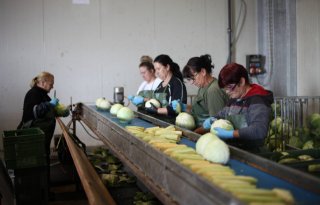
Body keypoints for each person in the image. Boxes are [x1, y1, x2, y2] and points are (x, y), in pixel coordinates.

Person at [202, 63, 274, 153]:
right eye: (225, 89)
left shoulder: (258, 100)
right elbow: (223, 114)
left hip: (253, 154)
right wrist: (213, 119)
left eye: (229, 87)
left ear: (242, 82)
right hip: (236, 151)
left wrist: (231, 134)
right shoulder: (235, 98)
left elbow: (259, 130)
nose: (227, 92)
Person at [18, 72, 69, 169]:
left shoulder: (43, 94)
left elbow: (48, 110)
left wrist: (61, 112)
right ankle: (40, 180)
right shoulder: (33, 94)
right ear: (42, 82)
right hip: (33, 133)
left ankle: (44, 178)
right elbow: (36, 112)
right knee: (36, 160)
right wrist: (50, 104)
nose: (52, 86)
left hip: (42, 135)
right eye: (51, 84)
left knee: (43, 157)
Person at [182, 54, 228, 133]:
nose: (192, 83)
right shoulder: (203, 87)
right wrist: (184, 107)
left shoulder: (213, 90)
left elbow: (216, 123)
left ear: (203, 72)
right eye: (190, 79)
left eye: (193, 78)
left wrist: (194, 133)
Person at [144, 54, 187, 121]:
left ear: (167, 67)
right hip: (158, 122)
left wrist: (157, 110)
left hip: (172, 123)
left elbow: (177, 108)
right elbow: (154, 101)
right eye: (155, 70)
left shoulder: (176, 83)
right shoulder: (160, 85)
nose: (157, 73)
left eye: (158, 69)